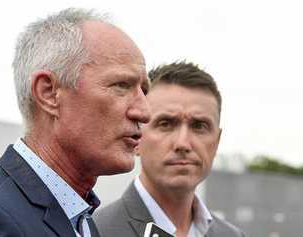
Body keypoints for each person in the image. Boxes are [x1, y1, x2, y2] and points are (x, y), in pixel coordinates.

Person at [0, 8, 150, 237]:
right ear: (49, 93)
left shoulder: (78, 216)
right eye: (121, 85)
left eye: (144, 90)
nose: (144, 112)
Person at [94, 61, 245, 237]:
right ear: (136, 136)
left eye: (199, 126)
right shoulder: (94, 233)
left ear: (217, 141)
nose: (183, 143)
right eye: (165, 124)